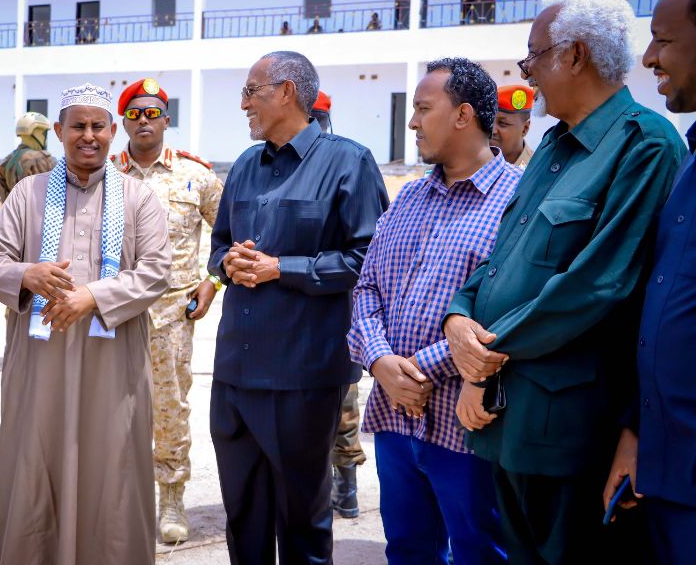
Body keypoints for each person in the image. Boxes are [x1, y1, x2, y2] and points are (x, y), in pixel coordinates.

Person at [443, 0, 687, 563]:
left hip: (570, 435)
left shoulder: (645, 145)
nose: (526, 70)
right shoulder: (552, 147)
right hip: (509, 421)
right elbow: (500, 258)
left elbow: (598, 283)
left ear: (574, 55)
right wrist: (457, 317)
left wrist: (483, 354)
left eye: (534, 54)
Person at [0, 83, 171, 564]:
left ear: (113, 132)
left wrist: (94, 296)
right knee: (34, 460)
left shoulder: (138, 197)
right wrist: (28, 274)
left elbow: (156, 271)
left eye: (97, 126)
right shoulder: (27, 193)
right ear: (59, 131)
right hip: (39, 362)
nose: (88, 135)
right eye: (78, 126)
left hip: (113, 362)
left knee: (114, 467)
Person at [208, 51, 388, 563]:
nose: (244, 104)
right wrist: (230, 263)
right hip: (235, 373)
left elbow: (367, 260)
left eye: (251, 91)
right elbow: (218, 247)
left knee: (302, 522)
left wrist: (279, 268)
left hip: (303, 375)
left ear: (286, 92)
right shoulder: (245, 165)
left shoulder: (348, 162)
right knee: (243, 517)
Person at [349, 58, 517, 564]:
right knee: (407, 549)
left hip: (468, 425)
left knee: (479, 552)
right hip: (395, 417)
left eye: (423, 109)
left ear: (463, 115)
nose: (412, 121)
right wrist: (380, 361)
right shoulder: (409, 197)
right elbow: (367, 288)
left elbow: (508, 311)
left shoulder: (518, 202)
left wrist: (418, 370)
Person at [604, 0, 696, 565]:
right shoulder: (690, 164)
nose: (649, 57)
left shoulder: (657, 146)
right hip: (665, 467)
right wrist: (636, 434)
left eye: (664, 39)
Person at [110, 77, 224, 543]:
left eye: (152, 113)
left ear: (166, 120)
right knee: (110, 404)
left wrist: (213, 281)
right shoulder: (104, 175)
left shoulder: (196, 176)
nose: (144, 121)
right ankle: (117, 497)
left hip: (172, 313)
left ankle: (171, 497)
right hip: (112, 310)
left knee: (170, 405)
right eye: (134, 114)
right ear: (123, 122)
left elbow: (231, 234)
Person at [309, 88, 366, 519]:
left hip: (339, 306)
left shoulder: (348, 166)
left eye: (317, 119)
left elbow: (365, 249)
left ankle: (346, 484)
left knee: (344, 400)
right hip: (294, 309)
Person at [0, 111, 57, 203]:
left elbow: (5, 201)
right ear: (36, 133)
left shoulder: (6, 162)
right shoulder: (43, 159)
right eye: (44, 133)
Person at [490, 85, 535, 167]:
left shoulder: (535, 169)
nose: (492, 130)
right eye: (490, 121)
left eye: (502, 123)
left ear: (524, 129)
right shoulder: (474, 162)